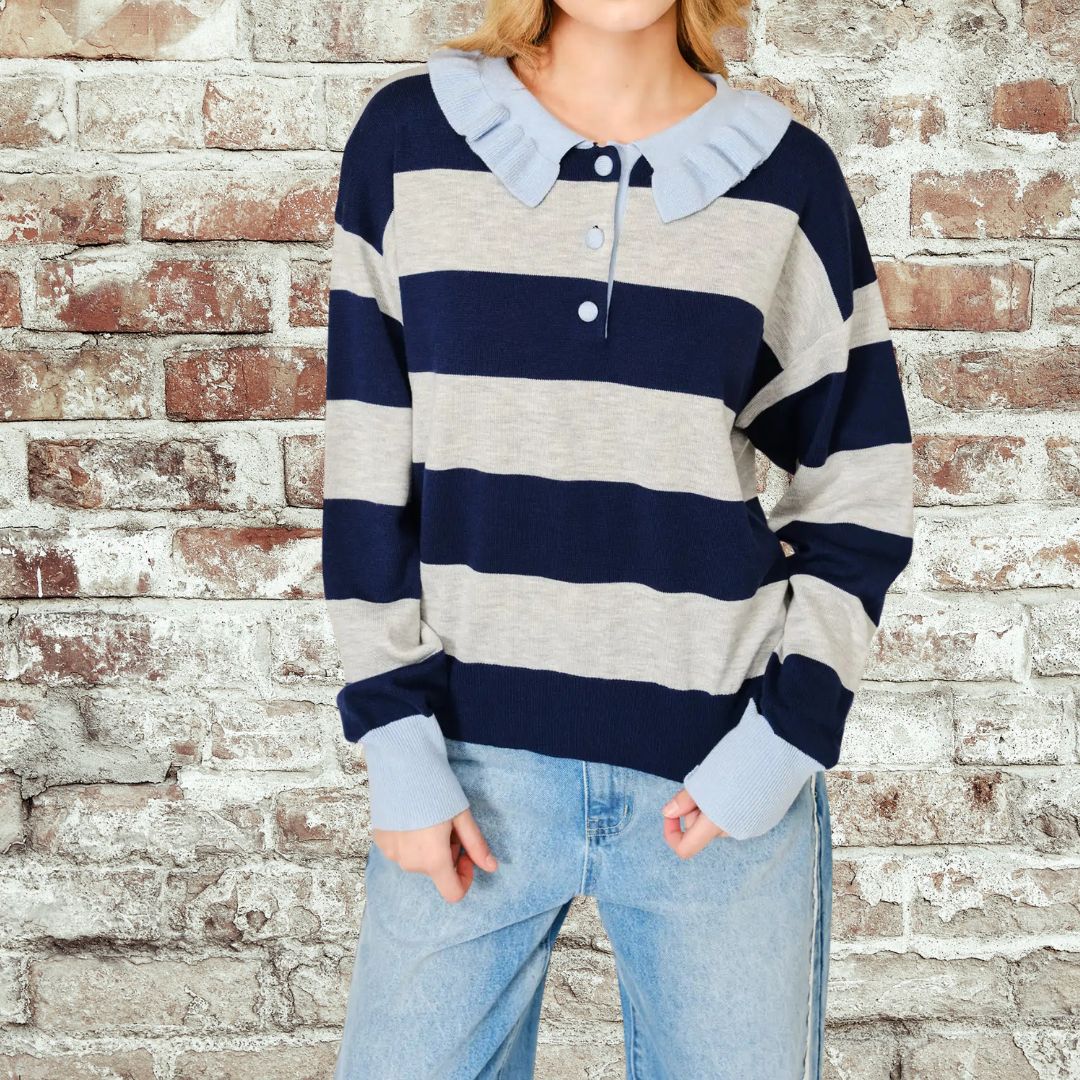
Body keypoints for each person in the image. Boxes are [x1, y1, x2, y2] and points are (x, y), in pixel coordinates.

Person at [322, 0, 914, 1075]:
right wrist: (395, 744)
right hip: (464, 769)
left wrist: (781, 742)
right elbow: (367, 467)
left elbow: (858, 486)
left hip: (718, 782)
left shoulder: (787, 181)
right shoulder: (409, 142)